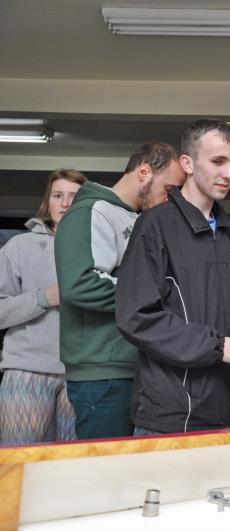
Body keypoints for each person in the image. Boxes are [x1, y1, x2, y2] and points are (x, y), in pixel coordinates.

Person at [116, 119, 230, 435]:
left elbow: (204, 311)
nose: (229, 174)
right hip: (169, 412)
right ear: (188, 163)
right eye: (217, 161)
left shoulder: (224, 230)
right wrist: (218, 346)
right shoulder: (154, 226)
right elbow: (136, 317)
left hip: (218, 406)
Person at [55, 143, 185, 439]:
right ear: (144, 172)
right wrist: (151, 295)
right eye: (169, 189)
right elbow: (80, 284)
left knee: (126, 472)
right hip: (102, 372)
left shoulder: (136, 219)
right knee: (103, 475)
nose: (171, 199)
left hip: (131, 368)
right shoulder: (90, 212)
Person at [0, 169, 86, 444]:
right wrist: (43, 297)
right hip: (27, 371)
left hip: (80, 374)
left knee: (69, 466)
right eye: (58, 195)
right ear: (48, 202)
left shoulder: (100, 250)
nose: (65, 203)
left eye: (74, 196)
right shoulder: (19, 246)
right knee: (18, 462)